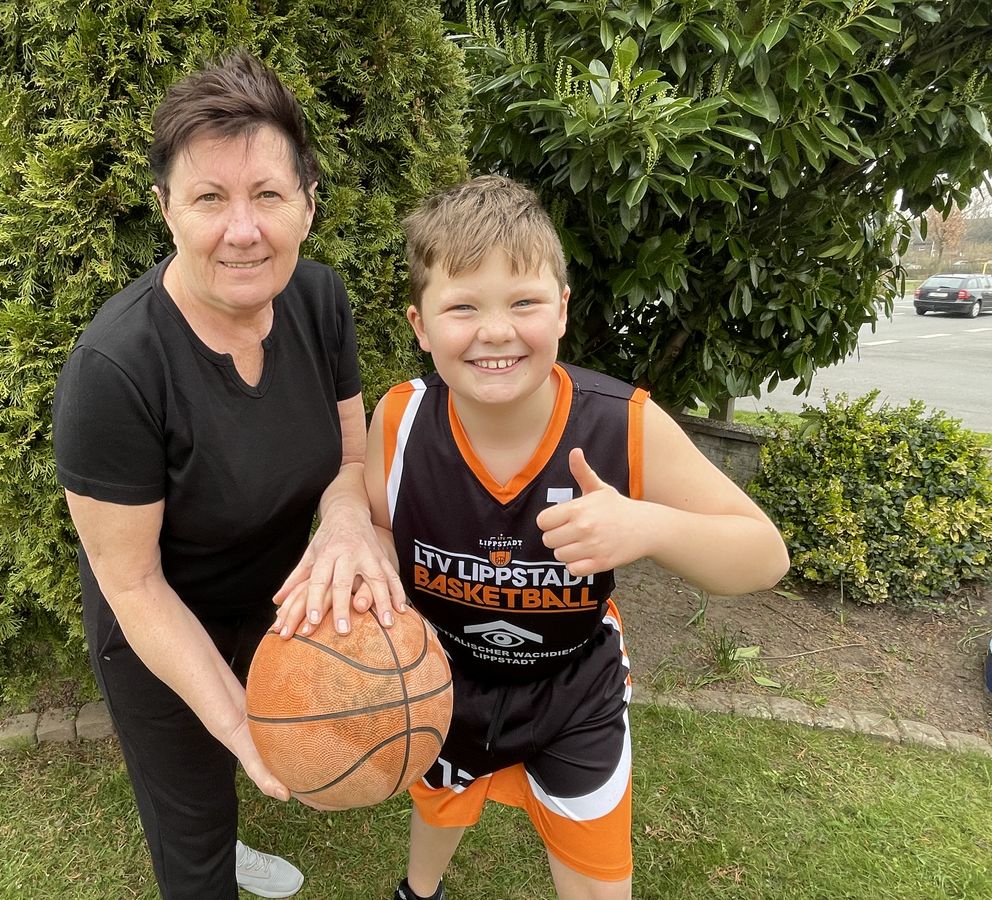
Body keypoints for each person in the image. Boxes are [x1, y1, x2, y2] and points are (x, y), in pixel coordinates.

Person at [280, 175, 790, 899]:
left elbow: (765, 556)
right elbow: (376, 519)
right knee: (440, 800)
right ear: (420, 327)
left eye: (523, 302)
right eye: (462, 307)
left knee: (597, 878)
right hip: (443, 676)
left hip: (572, 688)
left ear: (561, 312)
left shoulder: (623, 424)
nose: (495, 330)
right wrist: (351, 534)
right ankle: (419, 892)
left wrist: (647, 525)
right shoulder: (400, 420)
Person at [52, 50, 403, 900]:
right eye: (210, 198)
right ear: (166, 209)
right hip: (160, 616)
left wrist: (351, 523)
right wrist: (236, 720)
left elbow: (349, 460)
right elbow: (132, 585)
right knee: (195, 836)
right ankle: (213, 846)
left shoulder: (321, 301)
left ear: (309, 206)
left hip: (277, 601)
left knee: (250, 763)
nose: (242, 230)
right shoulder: (115, 372)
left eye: (268, 196)